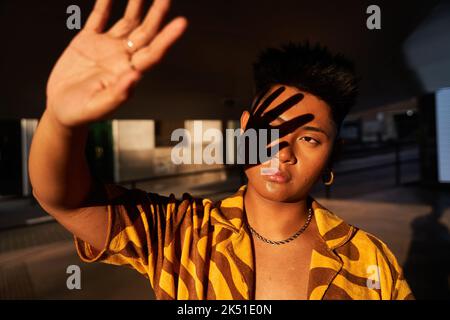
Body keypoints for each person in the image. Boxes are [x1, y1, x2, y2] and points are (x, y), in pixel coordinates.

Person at [29, 0, 413, 300]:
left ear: (333, 153)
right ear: (244, 129)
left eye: (310, 139)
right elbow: (67, 200)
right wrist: (62, 122)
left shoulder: (369, 260)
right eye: (269, 131)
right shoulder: (182, 232)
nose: (282, 152)